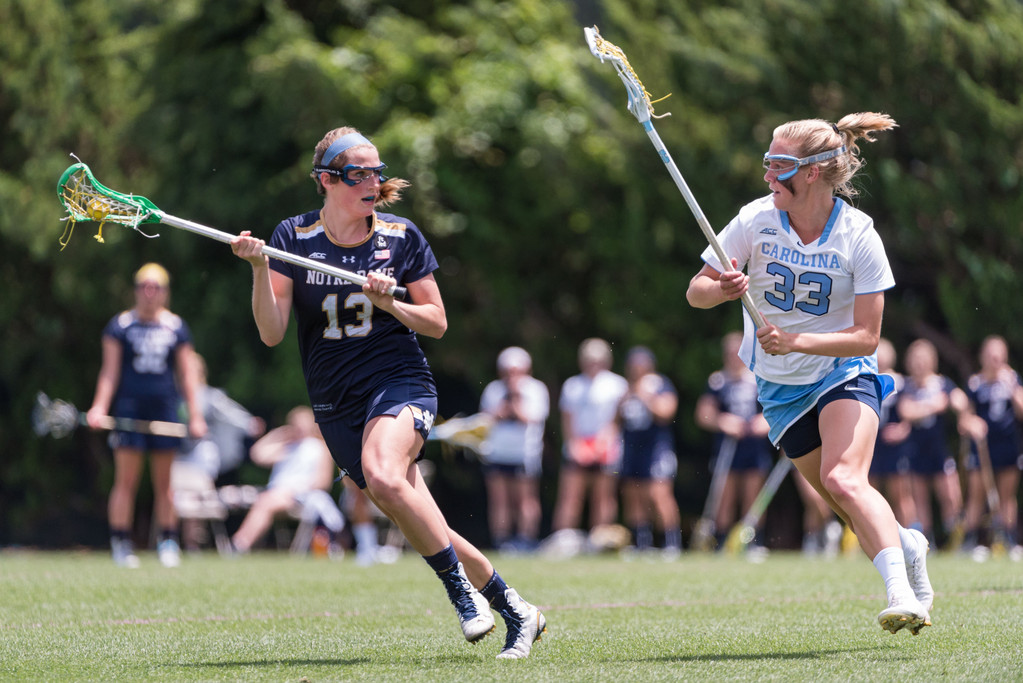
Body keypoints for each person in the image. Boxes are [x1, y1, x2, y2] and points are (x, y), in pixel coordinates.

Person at [229, 127, 544, 659]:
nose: (373, 182)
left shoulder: (400, 236)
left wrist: (391, 302)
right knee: (419, 515)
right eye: (359, 174)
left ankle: (462, 596)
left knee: (381, 473)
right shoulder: (293, 237)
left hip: (399, 385)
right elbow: (271, 331)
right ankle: (518, 609)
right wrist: (261, 268)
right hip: (336, 404)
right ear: (326, 181)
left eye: (377, 171)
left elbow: (437, 322)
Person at [686, 113, 934, 635]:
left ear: (815, 172)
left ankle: (902, 595)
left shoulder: (857, 235)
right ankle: (908, 544)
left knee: (843, 478)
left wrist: (797, 339)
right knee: (844, 502)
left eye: (781, 165)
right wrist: (723, 288)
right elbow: (696, 291)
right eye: (767, 163)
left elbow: (867, 337)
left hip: (843, 371)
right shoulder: (755, 220)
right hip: (779, 387)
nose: (769, 176)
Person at [86, 263, 207, 568]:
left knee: (165, 484)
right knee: (125, 481)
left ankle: (168, 541)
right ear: (136, 290)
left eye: (156, 287)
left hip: (164, 409)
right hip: (129, 409)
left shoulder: (176, 327)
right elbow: (109, 373)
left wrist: (195, 415)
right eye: (144, 286)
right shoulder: (121, 326)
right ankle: (120, 542)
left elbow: (187, 374)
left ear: (165, 292)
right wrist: (100, 406)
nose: (149, 293)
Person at [694, 331, 773, 552]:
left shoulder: (758, 379)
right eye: (730, 353)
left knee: (753, 496)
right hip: (727, 447)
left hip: (754, 446)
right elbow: (703, 414)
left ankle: (753, 542)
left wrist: (763, 422)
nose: (734, 357)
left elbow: (773, 410)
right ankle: (721, 542)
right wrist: (722, 421)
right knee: (723, 497)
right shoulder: (718, 381)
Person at [230, 406, 343, 554]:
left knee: (265, 501)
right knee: (263, 501)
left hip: (300, 495)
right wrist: (279, 434)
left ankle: (239, 544)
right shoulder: (286, 447)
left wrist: (295, 489)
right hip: (276, 494)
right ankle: (240, 544)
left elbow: (323, 481)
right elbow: (257, 454)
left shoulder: (319, 448)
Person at [551, 338, 628, 536]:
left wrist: (605, 440)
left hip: (606, 445)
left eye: (598, 360)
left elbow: (618, 418)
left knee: (604, 497)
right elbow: (567, 420)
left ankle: (600, 539)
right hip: (579, 444)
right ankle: (564, 538)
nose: (594, 365)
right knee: (571, 496)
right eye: (589, 360)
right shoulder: (573, 385)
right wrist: (574, 444)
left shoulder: (617, 385)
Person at [478, 346, 549, 552]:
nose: (512, 375)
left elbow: (532, 418)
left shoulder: (536, 389)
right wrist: (499, 411)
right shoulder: (493, 389)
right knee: (499, 500)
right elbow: (485, 419)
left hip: (524, 453)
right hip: (497, 452)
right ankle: (502, 540)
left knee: (526, 499)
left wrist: (516, 398)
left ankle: (526, 539)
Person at [899, 338, 967, 547]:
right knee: (920, 500)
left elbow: (960, 400)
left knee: (951, 495)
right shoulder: (907, 387)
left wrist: (962, 413)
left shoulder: (943, 383)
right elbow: (907, 411)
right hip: (915, 450)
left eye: (923, 359)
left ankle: (955, 535)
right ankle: (928, 542)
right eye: (915, 359)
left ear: (932, 361)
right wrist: (934, 405)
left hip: (940, 450)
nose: (919, 363)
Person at [617, 346, 683, 558]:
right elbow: (618, 418)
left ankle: (671, 542)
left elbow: (666, 412)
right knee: (632, 493)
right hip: (632, 446)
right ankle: (640, 542)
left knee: (658, 493)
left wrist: (645, 396)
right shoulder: (626, 388)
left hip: (656, 447)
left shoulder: (659, 384)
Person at [960, 335, 1023, 557]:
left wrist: (1012, 387)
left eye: (998, 355)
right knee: (976, 493)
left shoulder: (1013, 380)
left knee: (1007, 495)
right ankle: (970, 541)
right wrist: (972, 424)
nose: (994, 359)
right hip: (982, 447)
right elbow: (964, 419)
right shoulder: (975, 383)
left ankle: (1008, 539)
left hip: (1008, 445)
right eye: (990, 355)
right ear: (983, 357)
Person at [868, 338, 916, 529]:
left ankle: (912, 533)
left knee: (900, 494)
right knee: (870, 490)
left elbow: (909, 412)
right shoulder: (866, 379)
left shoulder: (901, 382)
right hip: (871, 443)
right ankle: (870, 536)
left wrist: (904, 428)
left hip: (894, 446)